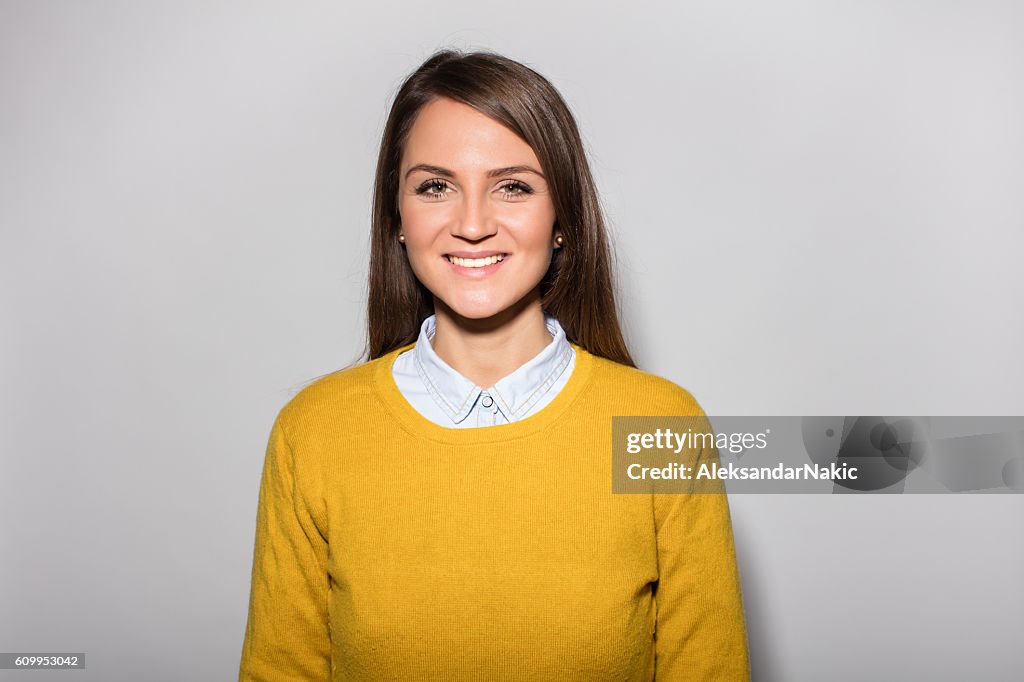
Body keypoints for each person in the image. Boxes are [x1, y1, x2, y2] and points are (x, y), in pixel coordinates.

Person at [239, 49, 751, 681]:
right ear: (397, 217)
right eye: (435, 186)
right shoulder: (312, 434)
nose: (473, 223)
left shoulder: (663, 427)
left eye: (512, 187)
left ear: (561, 218)